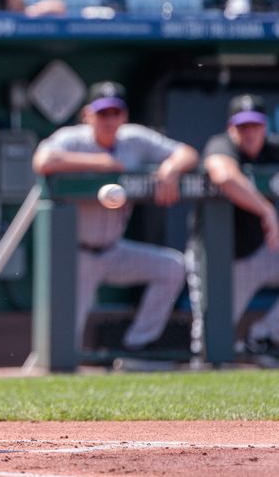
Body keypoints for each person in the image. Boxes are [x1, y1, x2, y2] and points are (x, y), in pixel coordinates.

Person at [31, 81, 198, 352]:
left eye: (115, 113)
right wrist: (100, 164)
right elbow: (42, 161)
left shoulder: (134, 138)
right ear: (88, 115)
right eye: (102, 113)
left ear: (124, 116)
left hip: (115, 251)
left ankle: (137, 343)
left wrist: (171, 170)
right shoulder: (72, 138)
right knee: (62, 344)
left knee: (173, 267)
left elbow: (188, 153)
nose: (109, 120)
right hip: (77, 255)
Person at [189, 94, 279, 354]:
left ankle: (263, 336)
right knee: (209, 345)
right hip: (217, 262)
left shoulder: (273, 149)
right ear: (232, 128)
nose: (250, 133)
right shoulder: (221, 145)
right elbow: (223, 174)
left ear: (265, 127)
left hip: (259, 253)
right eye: (243, 127)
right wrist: (267, 211)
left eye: (255, 126)